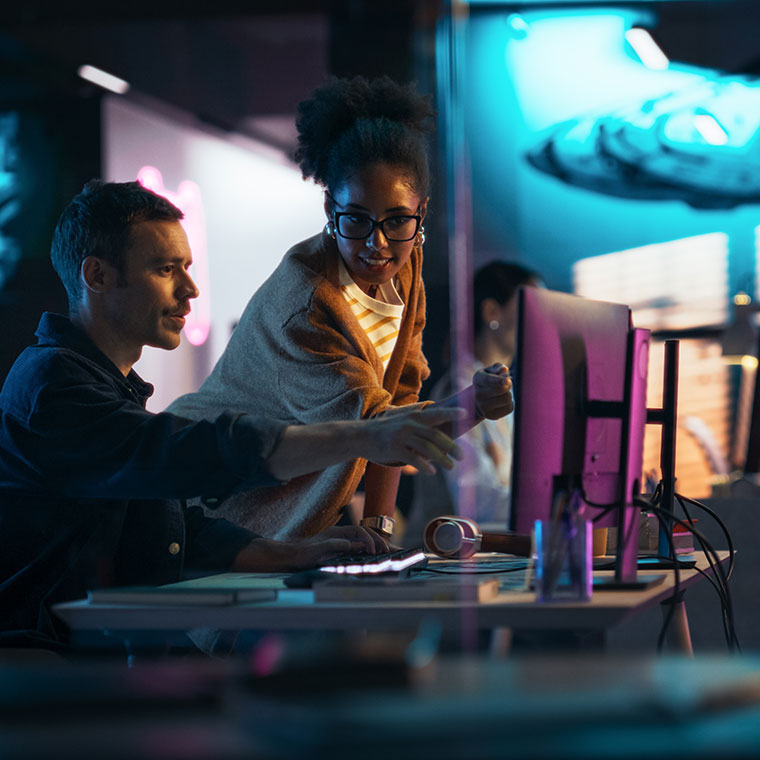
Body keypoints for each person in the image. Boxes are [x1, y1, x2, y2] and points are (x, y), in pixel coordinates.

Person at [0, 180, 464, 647]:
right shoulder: (51, 386)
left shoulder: (97, 384)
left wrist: (289, 553)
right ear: (97, 276)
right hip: (50, 673)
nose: (190, 289)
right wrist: (364, 437)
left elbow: (174, 525)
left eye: (186, 267)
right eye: (166, 269)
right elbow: (179, 455)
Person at [168, 76, 513, 543]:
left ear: (421, 213)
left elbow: (400, 397)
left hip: (287, 502)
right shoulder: (305, 305)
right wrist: (474, 404)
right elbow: (377, 428)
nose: (377, 243)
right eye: (357, 220)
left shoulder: (404, 264)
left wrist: (379, 525)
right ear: (331, 208)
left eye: (396, 220)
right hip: (211, 500)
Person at [404, 261, 544, 546]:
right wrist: (554, 504)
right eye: (533, 308)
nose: (542, 323)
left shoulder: (502, 391)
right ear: (492, 312)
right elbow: (477, 504)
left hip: (474, 559)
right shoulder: (459, 390)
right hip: (436, 566)